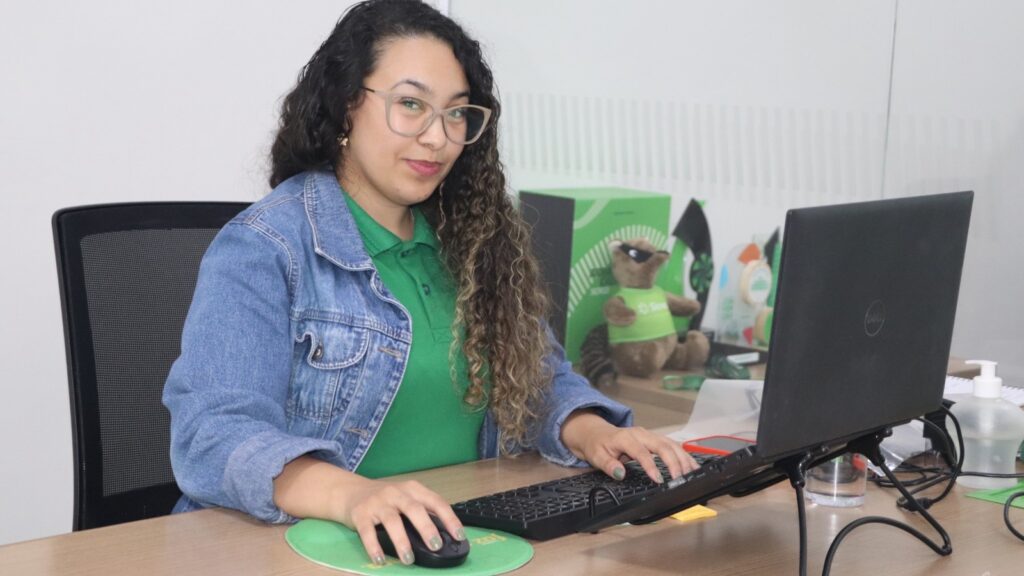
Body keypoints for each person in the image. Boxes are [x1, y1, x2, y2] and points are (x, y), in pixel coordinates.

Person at [163, 0, 697, 566]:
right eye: (411, 105)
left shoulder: (475, 239)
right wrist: (353, 495)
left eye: (456, 112)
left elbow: (538, 380)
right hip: (293, 552)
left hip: (455, 538)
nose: (438, 138)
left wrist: (592, 432)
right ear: (346, 106)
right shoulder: (266, 247)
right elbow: (214, 435)